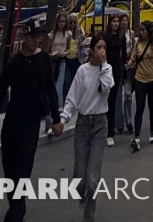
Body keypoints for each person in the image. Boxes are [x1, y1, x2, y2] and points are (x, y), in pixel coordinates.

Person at [0, 20, 61, 222]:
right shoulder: (13, 63)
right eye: (34, 36)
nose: (37, 39)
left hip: (31, 122)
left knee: (23, 170)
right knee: (10, 172)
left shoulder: (43, 60)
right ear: (24, 37)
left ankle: (16, 214)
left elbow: (51, 89)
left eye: (39, 36)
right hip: (11, 123)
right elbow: (0, 91)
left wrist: (56, 118)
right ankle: (17, 208)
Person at [59, 31, 113, 222]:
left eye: (104, 48)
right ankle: (82, 196)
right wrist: (64, 119)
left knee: (92, 177)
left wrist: (104, 65)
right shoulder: (82, 71)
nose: (102, 51)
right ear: (91, 50)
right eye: (99, 47)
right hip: (83, 124)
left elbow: (107, 86)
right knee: (80, 177)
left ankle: (89, 213)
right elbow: (72, 97)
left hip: (100, 124)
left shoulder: (107, 69)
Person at [126, 20, 153, 151]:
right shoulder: (138, 43)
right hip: (140, 78)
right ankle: (136, 136)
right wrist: (129, 64)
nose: (141, 32)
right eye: (140, 30)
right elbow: (134, 57)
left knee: (152, 105)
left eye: (143, 30)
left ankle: (152, 132)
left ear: (149, 31)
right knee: (140, 107)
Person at [104, 13, 126, 146]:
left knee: (112, 100)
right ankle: (104, 128)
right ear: (110, 22)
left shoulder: (121, 36)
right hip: (106, 68)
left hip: (116, 69)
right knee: (104, 99)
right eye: (114, 21)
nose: (116, 23)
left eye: (118, 21)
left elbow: (123, 54)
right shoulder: (105, 37)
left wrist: (125, 68)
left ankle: (110, 132)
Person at [48, 11, 72, 115]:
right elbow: (47, 50)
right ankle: (52, 106)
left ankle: (56, 106)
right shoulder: (52, 35)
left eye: (64, 22)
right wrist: (53, 54)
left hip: (62, 59)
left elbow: (68, 49)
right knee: (52, 84)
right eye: (60, 22)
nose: (62, 24)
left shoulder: (68, 33)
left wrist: (64, 53)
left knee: (59, 84)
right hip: (53, 59)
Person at [115, 14, 134, 134]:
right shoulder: (117, 35)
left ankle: (129, 121)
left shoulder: (131, 33)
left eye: (126, 20)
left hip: (128, 64)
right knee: (118, 96)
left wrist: (131, 61)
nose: (124, 22)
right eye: (122, 20)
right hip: (118, 64)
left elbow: (133, 48)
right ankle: (119, 122)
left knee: (128, 94)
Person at [63, 12, 82, 99]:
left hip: (76, 59)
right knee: (67, 82)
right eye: (71, 22)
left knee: (75, 81)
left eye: (75, 22)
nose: (73, 24)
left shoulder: (79, 31)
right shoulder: (66, 31)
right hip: (67, 58)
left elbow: (82, 42)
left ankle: (74, 99)